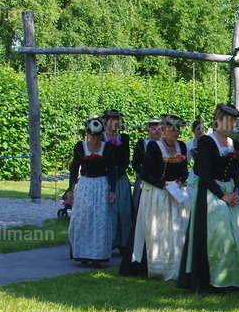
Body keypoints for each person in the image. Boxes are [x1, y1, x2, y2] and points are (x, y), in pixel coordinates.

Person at [177, 104, 239, 292]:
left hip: (230, 193)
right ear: (218, 120)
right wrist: (223, 195)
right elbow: (204, 173)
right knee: (218, 236)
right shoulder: (206, 141)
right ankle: (212, 281)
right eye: (227, 120)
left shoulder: (234, 143)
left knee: (235, 235)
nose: (231, 124)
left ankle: (233, 278)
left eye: (234, 121)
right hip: (210, 194)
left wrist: (235, 191)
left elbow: (237, 170)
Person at [120, 115, 190, 280]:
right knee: (156, 228)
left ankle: (176, 264)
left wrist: (180, 181)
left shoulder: (181, 146)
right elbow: (145, 174)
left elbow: (185, 170)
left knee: (177, 228)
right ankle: (156, 265)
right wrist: (163, 184)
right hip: (156, 194)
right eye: (171, 128)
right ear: (164, 129)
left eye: (177, 128)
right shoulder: (154, 147)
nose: (175, 131)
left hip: (175, 193)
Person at [66, 118, 117, 267]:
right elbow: (74, 168)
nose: (95, 139)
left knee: (100, 220)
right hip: (85, 184)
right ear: (87, 134)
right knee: (83, 218)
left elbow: (112, 171)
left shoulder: (107, 148)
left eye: (98, 136)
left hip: (101, 185)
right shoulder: (80, 147)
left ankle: (97, 255)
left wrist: (112, 191)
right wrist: (70, 189)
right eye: (92, 135)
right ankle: (82, 253)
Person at [102, 109, 133, 252]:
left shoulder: (124, 138)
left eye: (116, 119)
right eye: (111, 119)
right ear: (105, 121)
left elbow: (126, 159)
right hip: (104, 176)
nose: (114, 122)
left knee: (123, 208)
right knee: (106, 209)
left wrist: (118, 172)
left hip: (120, 177)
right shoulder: (100, 137)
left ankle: (123, 242)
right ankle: (107, 242)